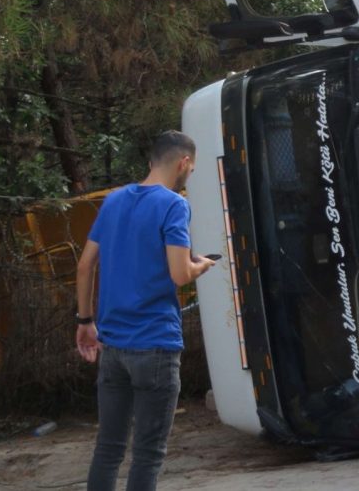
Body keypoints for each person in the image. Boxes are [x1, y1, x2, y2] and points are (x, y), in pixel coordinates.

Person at [74, 131, 216, 489]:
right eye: (192, 169)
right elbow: (179, 273)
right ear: (183, 163)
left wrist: (85, 321)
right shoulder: (174, 204)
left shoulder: (114, 200)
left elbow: (84, 265)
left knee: (108, 448)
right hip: (155, 344)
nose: (189, 175)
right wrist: (201, 265)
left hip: (113, 348)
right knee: (149, 453)